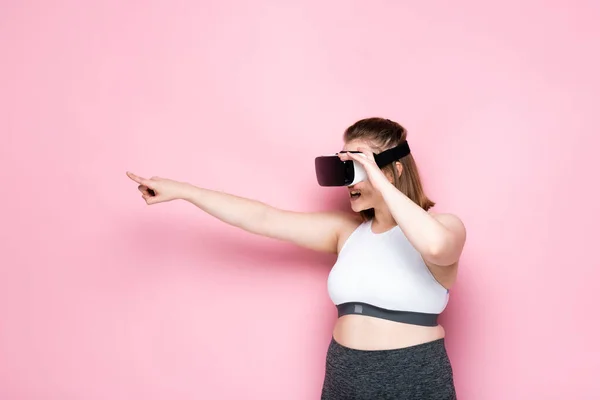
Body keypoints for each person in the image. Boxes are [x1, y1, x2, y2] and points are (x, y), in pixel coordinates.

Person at [126, 117, 466, 399]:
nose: (347, 179)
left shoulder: (445, 226)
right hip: (344, 376)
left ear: (391, 171)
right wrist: (185, 191)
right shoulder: (347, 233)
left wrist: (376, 173)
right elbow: (263, 218)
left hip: (411, 377)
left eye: (356, 166)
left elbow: (436, 247)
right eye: (343, 164)